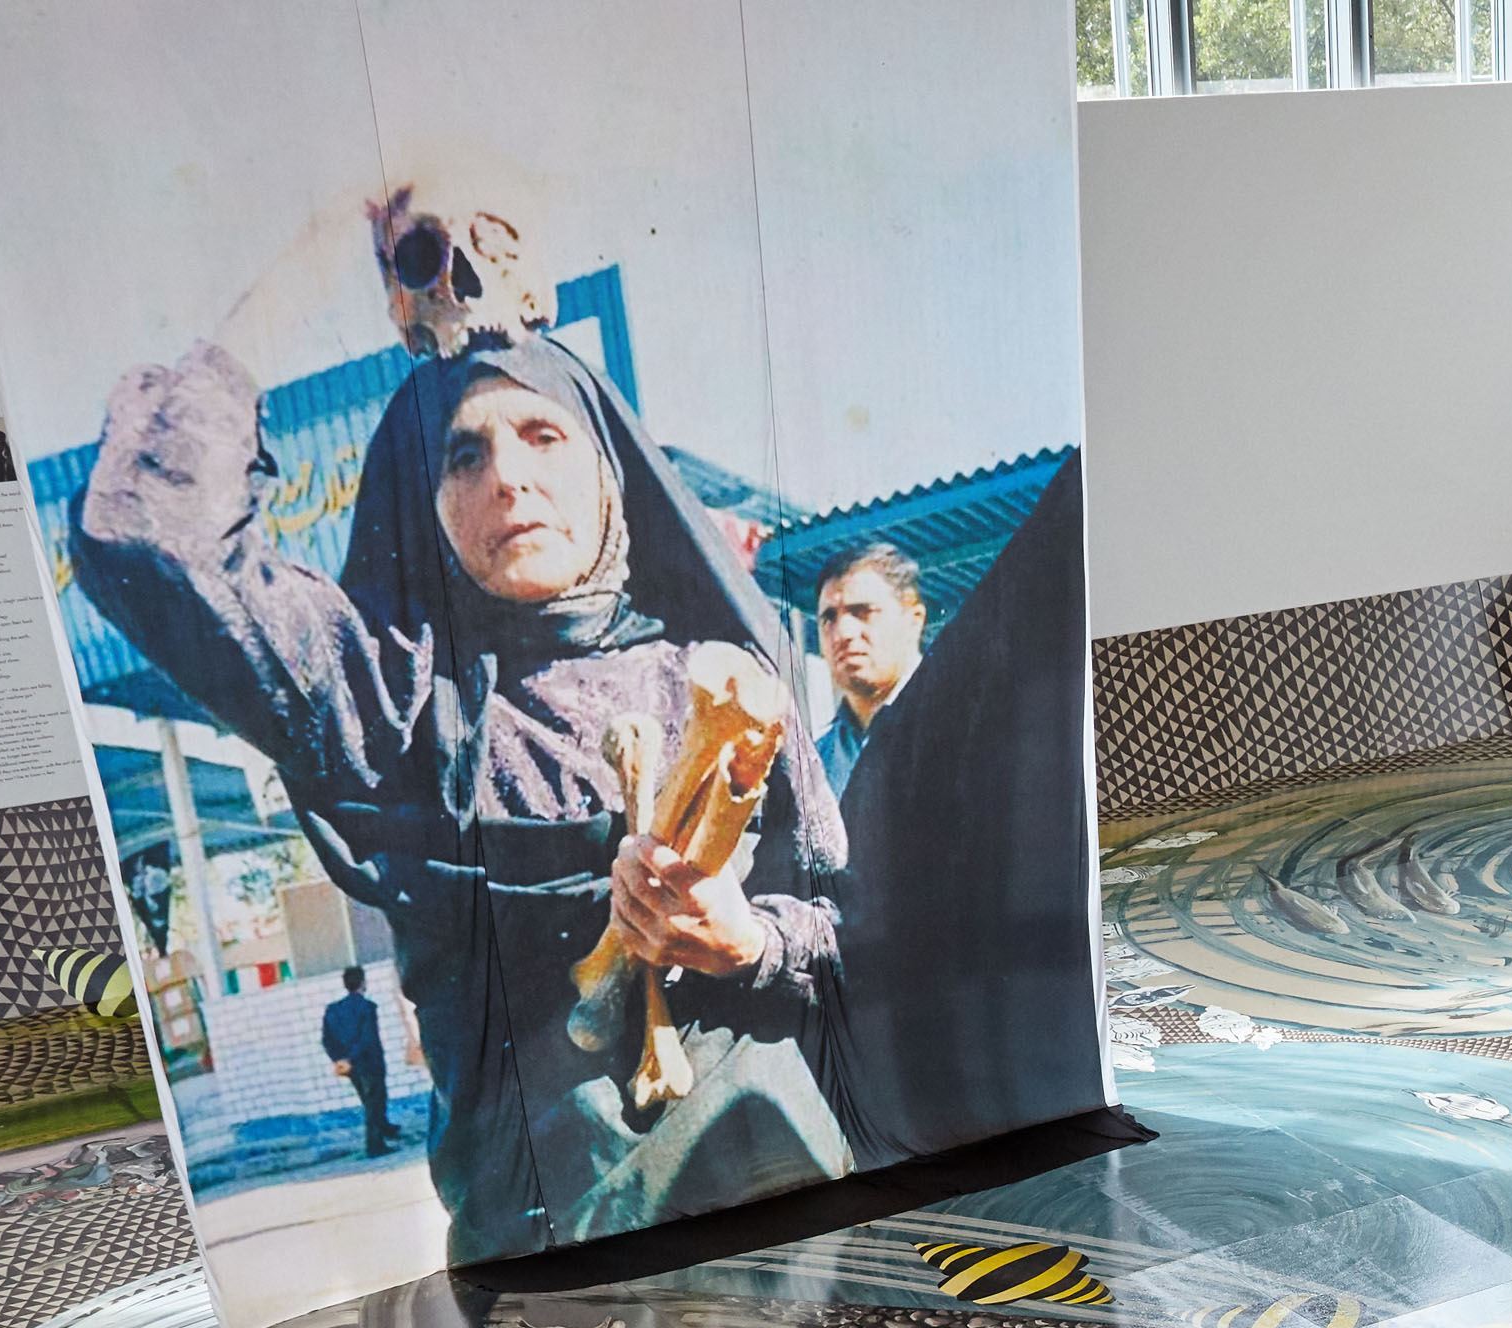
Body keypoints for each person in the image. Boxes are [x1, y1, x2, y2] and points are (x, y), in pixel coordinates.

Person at [73, 322, 850, 1264]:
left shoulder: (728, 683)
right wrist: (256, 319)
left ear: (609, 474)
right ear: (429, 502)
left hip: (787, 1220)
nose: (507, 478)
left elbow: (852, 932)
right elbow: (147, 538)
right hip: (555, 1264)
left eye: (542, 436)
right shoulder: (387, 708)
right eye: (464, 455)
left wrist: (751, 942)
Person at [812, 541, 926, 794]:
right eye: (829, 618)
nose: (843, 632)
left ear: (914, 620)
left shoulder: (970, 726)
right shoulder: (814, 767)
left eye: (863, 612)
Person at [320, 965, 403, 1155]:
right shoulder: (368, 1007)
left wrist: (340, 1059)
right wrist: (352, 1057)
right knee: (376, 1101)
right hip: (369, 1062)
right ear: (363, 983)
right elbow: (367, 1038)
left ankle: (385, 1128)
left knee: (368, 1100)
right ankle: (375, 1145)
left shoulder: (332, 1010)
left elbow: (326, 1039)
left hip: (349, 1067)